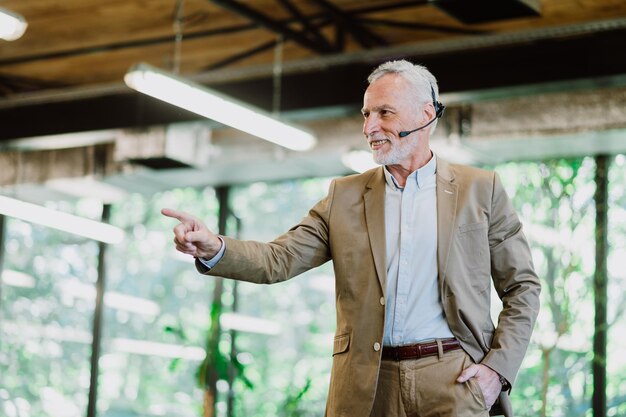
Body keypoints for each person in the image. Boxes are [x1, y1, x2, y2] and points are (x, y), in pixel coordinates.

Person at [162, 60, 541, 417]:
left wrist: (496, 370)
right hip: (367, 381)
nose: (369, 128)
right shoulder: (344, 196)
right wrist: (215, 248)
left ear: (426, 115)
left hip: (453, 378)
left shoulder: (481, 189)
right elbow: (279, 258)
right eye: (366, 114)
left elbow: (522, 286)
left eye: (384, 113)